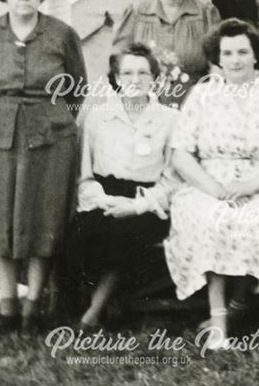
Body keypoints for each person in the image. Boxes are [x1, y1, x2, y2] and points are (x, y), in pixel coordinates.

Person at [164, 19, 259, 350]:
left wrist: (252, 186)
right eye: (227, 53)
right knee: (212, 218)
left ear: (257, 56)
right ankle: (219, 319)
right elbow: (181, 154)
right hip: (207, 182)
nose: (235, 60)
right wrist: (214, 190)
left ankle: (238, 304)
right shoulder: (202, 94)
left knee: (254, 221)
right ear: (217, 57)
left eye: (243, 51)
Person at [0, 0, 88, 334]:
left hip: (50, 138)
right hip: (0, 136)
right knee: (0, 220)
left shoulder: (62, 34)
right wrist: (1, 118)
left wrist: (50, 118)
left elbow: (76, 88)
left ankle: (33, 306)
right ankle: (6, 307)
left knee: (42, 220)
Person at [63, 42, 179, 329]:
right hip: (102, 195)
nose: (135, 80)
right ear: (116, 79)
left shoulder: (171, 120)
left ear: (155, 78)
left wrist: (137, 205)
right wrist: (103, 200)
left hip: (146, 200)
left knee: (123, 236)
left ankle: (93, 314)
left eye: (143, 72)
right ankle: (81, 302)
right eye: (127, 73)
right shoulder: (98, 117)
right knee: (82, 234)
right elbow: (84, 174)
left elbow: (173, 179)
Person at [113, 0, 221, 104]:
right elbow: (118, 62)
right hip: (146, 103)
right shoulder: (136, 13)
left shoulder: (205, 14)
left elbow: (218, 65)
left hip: (196, 103)